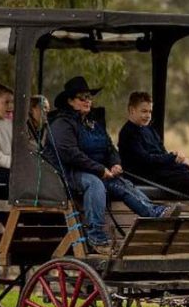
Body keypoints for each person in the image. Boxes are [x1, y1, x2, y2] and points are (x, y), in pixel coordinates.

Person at [49, 76, 172, 255]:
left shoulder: (93, 122)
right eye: (82, 98)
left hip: (99, 170)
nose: (87, 101)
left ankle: (153, 212)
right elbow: (71, 154)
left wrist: (115, 163)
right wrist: (99, 169)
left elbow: (109, 146)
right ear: (70, 101)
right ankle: (96, 236)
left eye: (89, 97)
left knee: (122, 183)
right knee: (95, 183)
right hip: (70, 173)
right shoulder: (62, 123)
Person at [118, 91, 189, 210]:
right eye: (144, 111)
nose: (148, 115)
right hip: (145, 175)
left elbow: (162, 153)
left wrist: (179, 161)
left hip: (160, 172)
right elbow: (145, 160)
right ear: (132, 110)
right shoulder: (128, 133)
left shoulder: (149, 130)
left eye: (150, 111)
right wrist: (173, 157)